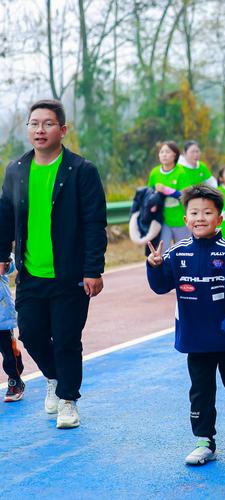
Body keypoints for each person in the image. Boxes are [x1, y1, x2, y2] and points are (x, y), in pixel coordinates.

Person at [0, 98, 107, 428]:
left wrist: (93, 269)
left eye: (47, 124)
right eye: (34, 123)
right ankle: (53, 378)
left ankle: (69, 401)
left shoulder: (81, 171)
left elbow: (94, 222)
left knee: (66, 339)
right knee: (30, 334)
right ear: (28, 129)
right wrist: (3, 255)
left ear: (62, 130)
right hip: (31, 273)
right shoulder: (16, 170)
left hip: (71, 274)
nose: (40, 129)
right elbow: (5, 215)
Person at [146, 185, 225, 466]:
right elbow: (162, 286)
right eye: (194, 213)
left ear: (219, 219)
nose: (200, 218)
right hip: (196, 340)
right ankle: (204, 441)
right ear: (186, 220)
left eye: (208, 212)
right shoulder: (177, 253)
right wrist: (154, 266)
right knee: (201, 390)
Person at [148, 141, 191, 245]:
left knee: (183, 252)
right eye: (161, 152)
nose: (164, 155)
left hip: (181, 220)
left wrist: (166, 190)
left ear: (175, 154)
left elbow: (185, 196)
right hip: (162, 221)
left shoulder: (182, 172)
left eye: (167, 152)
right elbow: (149, 193)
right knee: (163, 251)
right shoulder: (155, 173)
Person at [0, 256, 24, 402]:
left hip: (1, 316)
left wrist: (6, 262)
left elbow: (10, 265)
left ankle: (15, 380)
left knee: (8, 352)